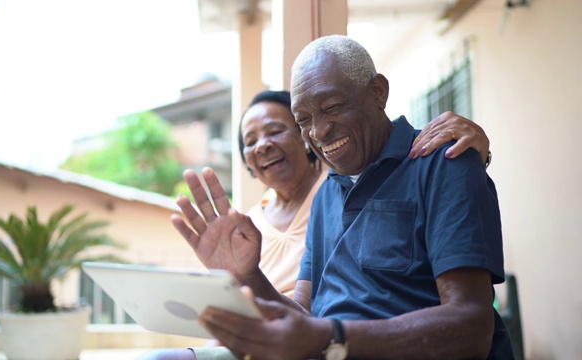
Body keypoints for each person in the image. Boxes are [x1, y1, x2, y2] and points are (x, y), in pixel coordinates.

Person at [164, 34, 512, 360]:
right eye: (303, 119)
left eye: (330, 107)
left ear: (378, 92)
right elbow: (304, 318)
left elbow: (472, 327)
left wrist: (332, 338)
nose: (318, 131)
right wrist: (248, 274)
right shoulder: (326, 196)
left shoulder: (442, 162)